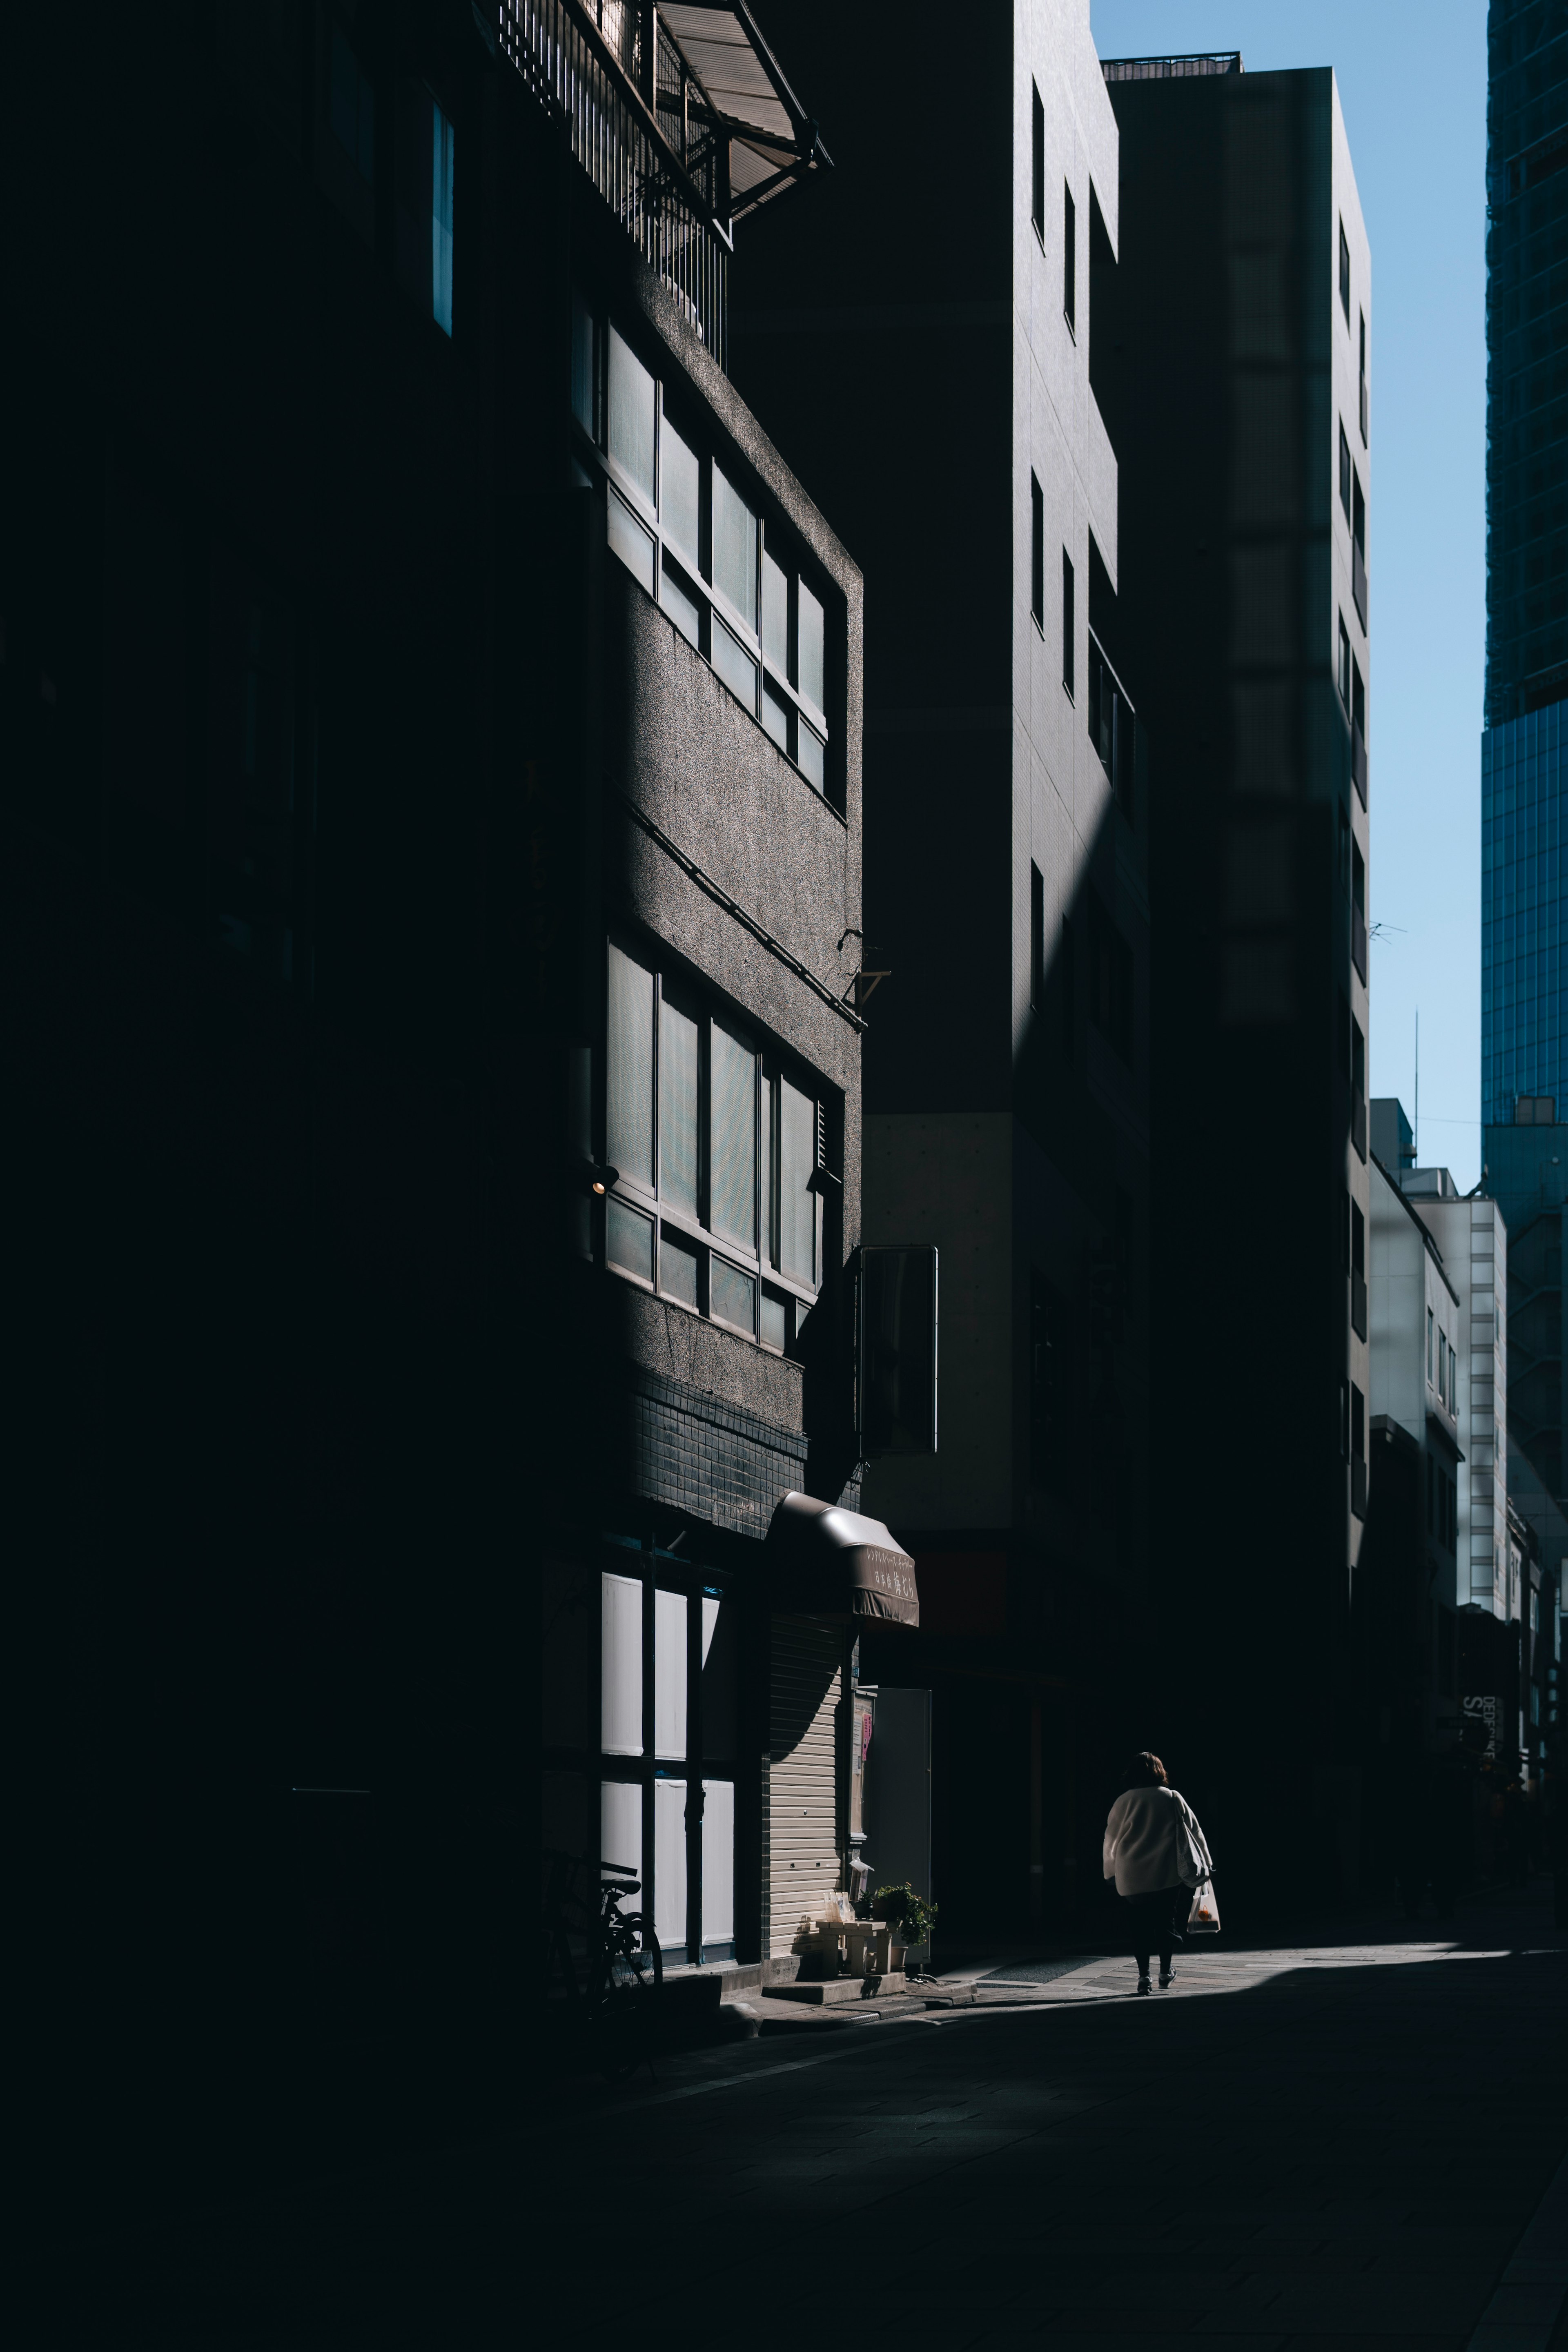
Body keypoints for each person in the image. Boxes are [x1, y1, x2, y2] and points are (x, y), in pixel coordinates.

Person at [1102, 1752, 1213, 1996]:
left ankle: (1144, 1978)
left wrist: (1110, 1872)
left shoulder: (1124, 1801)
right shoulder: (1172, 1797)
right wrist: (1206, 1863)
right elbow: (1195, 1831)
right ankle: (1165, 1973)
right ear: (1159, 1771)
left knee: (1138, 1927)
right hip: (1166, 1872)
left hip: (1131, 1874)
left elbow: (1110, 1840)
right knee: (1165, 1924)